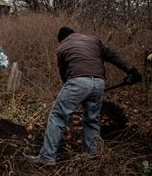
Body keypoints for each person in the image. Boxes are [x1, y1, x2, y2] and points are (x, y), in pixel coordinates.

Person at [26, 27, 142, 165]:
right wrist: (131, 70)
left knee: (58, 115)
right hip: (99, 82)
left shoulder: (63, 47)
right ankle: (92, 157)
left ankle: (47, 156)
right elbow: (113, 56)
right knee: (92, 119)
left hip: (77, 82)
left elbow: (65, 75)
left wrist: (74, 93)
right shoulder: (94, 41)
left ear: (61, 39)